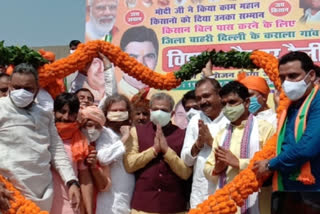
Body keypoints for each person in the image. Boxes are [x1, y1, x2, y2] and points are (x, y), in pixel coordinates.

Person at [0, 63, 80, 211]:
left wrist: (71, 181)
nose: (21, 92)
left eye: (28, 88)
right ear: (10, 86)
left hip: (44, 193)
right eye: (17, 87)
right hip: (9, 192)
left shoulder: (44, 114)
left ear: (36, 90)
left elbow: (56, 150)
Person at [253, 52, 320, 212]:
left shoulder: (317, 101)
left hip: (313, 191)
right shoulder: (290, 105)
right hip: (286, 188)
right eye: (283, 78)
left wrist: (270, 164)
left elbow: (308, 147)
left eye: (293, 76)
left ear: (310, 76)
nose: (287, 82)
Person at [204, 81, 275, 214]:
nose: (227, 108)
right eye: (224, 104)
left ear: (247, 102)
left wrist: (238, 163)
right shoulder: (222, 134)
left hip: (257, 203)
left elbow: (271, 165)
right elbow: (207, 167)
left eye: (232, 102)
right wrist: (216, 169)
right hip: (227, 204)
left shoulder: (265, 129)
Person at [124, 92, 192, 214]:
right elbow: (129, 165)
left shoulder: (182, 134)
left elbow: (186, 173)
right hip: (143, 208)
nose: (159, 113)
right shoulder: (136, 132)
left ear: (172, 114)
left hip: (174, 207)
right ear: (150, 111)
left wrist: (167, 152)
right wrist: (154, 150)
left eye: (164, 110)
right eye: (155, 109)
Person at [181, 78, 229, 208]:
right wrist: (198, 145)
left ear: (219, 94)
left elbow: (235, 156)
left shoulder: (231, 119)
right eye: (199, 98)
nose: (202, 101)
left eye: (206, 96)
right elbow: (186, 160)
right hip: (201, 192)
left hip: (226, 190)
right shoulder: (195, 120)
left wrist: (211, 141)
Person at [52, 93, 94, 214]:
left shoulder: (80, 141)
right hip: (42, 202)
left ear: (76, 115)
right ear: (54, 112)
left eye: (70, 113)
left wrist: (89, 211)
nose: (65, 117)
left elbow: (85, 179)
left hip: (70, 206)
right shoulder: (44, 136)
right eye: (62, 111)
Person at [95, 94, 135, 214]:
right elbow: (102, 158)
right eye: (114, 110)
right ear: (107, 112)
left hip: (129, 195)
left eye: (122, 110)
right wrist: (124, 138)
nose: (118, 113)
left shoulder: (133, 130)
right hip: (110, 201)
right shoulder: (104, 132)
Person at [79, 106, 112, 210]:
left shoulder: (100, 150)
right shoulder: (68, 144)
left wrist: (94, 167)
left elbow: (104, 186)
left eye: (97, 127)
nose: (93, 130)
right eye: (89, 125)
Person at [119, 26, 159, 98]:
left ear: (156, 59)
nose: (141, 64)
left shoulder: (167, 97)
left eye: (148, 56)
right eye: (133, 57)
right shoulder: (107, 96)